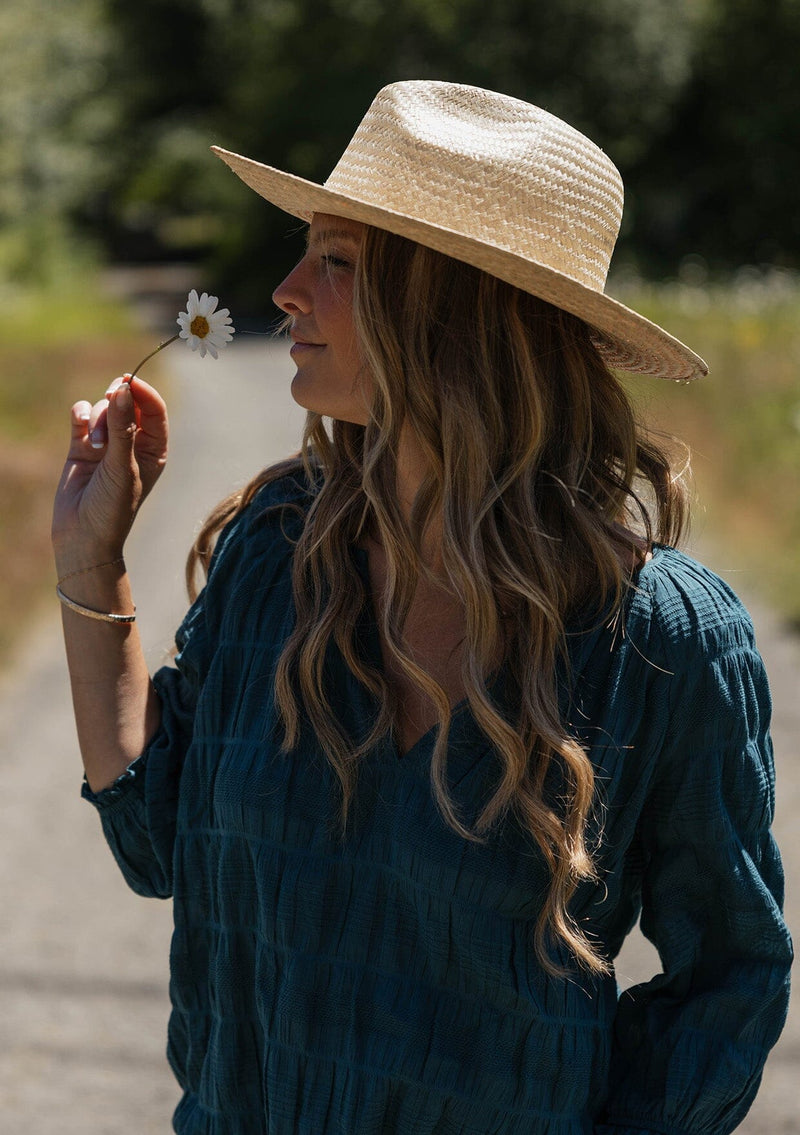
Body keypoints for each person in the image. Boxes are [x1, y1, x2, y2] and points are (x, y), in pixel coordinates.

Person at [52, 81, 791, 1134]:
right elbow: (153, 841)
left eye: (337, 261)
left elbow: (729, 980)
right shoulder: (277, 556)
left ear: (455, 307)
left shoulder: (662, 641)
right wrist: (92, 565)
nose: (285, 289)